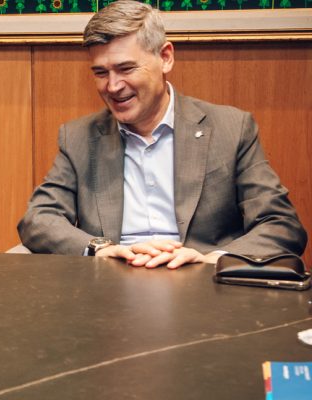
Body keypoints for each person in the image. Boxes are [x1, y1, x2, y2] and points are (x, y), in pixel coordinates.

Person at [17, 0, 306, 269]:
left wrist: (212, 259)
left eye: (126, 68)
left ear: (165, 57)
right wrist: (99, 248)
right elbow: (39, 219)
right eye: (101, 73)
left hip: (201, 284)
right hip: (110, 285)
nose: (113, 86)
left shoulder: (230, 128)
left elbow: (280, 224)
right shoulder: (78, 137)